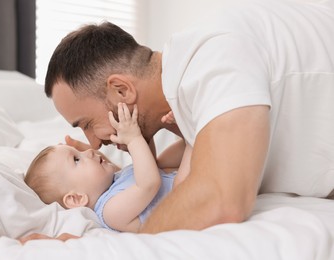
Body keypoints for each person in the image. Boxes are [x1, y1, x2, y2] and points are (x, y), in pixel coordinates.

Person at [42, 0, 334, 234]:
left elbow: (222, 200)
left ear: (121, 90)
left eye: (88, 124)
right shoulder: (187, 96)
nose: (93, 142)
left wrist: (124, 244)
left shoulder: (214, 58)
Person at [24, 103, 178, 233]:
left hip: (174, 178)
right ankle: (192, 135)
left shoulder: (114, 181)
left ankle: (187, 132)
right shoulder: (110, 212)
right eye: (76, 160)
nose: (89, 151)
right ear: (77, 198)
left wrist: (142, 138)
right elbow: (149, 183)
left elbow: (148, 164)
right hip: (182, 201)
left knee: (159, 162)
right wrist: (134, 139)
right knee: (184, 157)